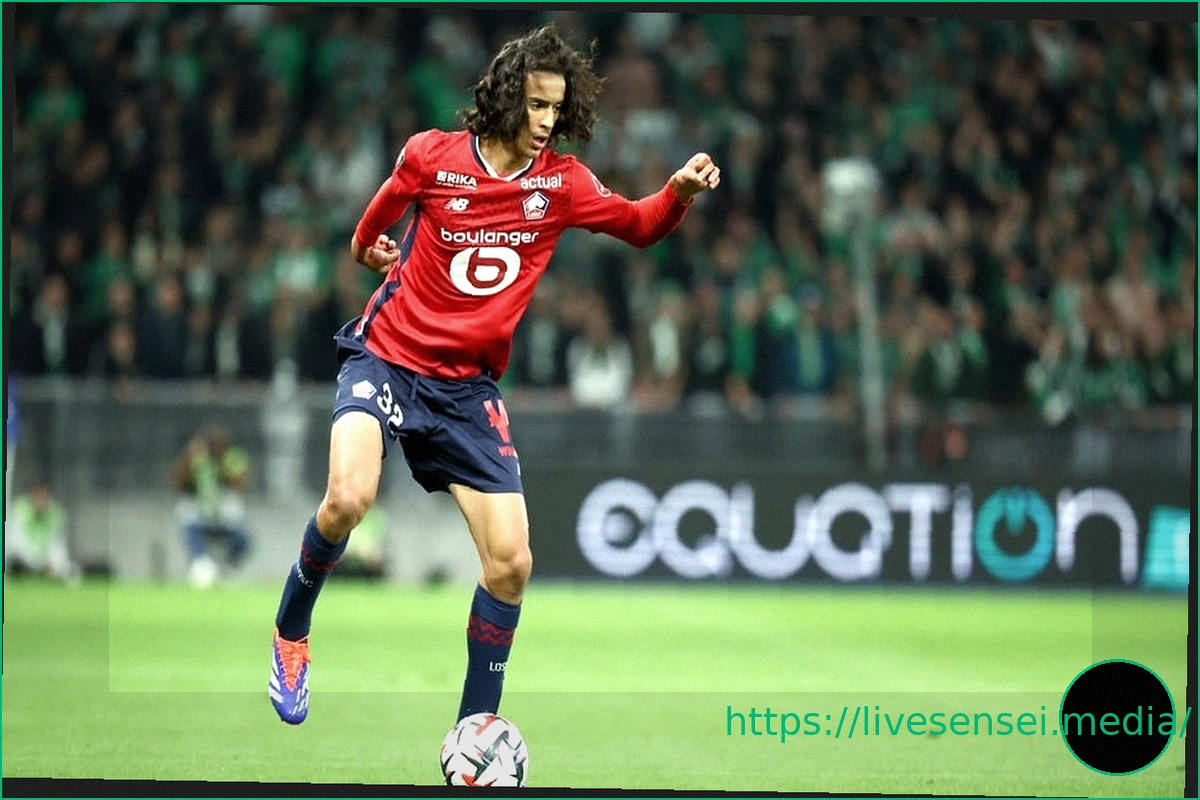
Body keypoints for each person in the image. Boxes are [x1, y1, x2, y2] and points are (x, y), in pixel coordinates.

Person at [269, 24, 720, 725]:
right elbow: (372, 223)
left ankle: (475, 732)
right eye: (536, 105)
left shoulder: (561, 184)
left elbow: (638, 224)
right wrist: (366, 250)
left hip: (465, 389)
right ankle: (292, 630)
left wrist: (678, 192)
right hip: (387, 356)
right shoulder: (432, 156)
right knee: (348, 499)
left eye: (555, 109)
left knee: (512, 564)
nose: (545, 122)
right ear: (508, 97)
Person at [172, 427, 252, 588]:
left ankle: (226, 569)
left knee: (242, 541)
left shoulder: (231, 458)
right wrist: (192, 458)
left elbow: (238, 483)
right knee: (191, 528)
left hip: (223, 514)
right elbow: (179, 483)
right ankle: (201, 565)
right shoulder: (196, 459)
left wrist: (220, 464)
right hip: (199, 511)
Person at [6, 481, 78, 583]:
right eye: (38, 496)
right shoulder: (20, 509)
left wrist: (54, 562)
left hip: (45, 558)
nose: (40, 500)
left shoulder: (55, 513)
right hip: (23, 557)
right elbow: (15, 541)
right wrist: (35, 560)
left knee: (71, 570)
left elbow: (58, 544)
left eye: (43, 496)